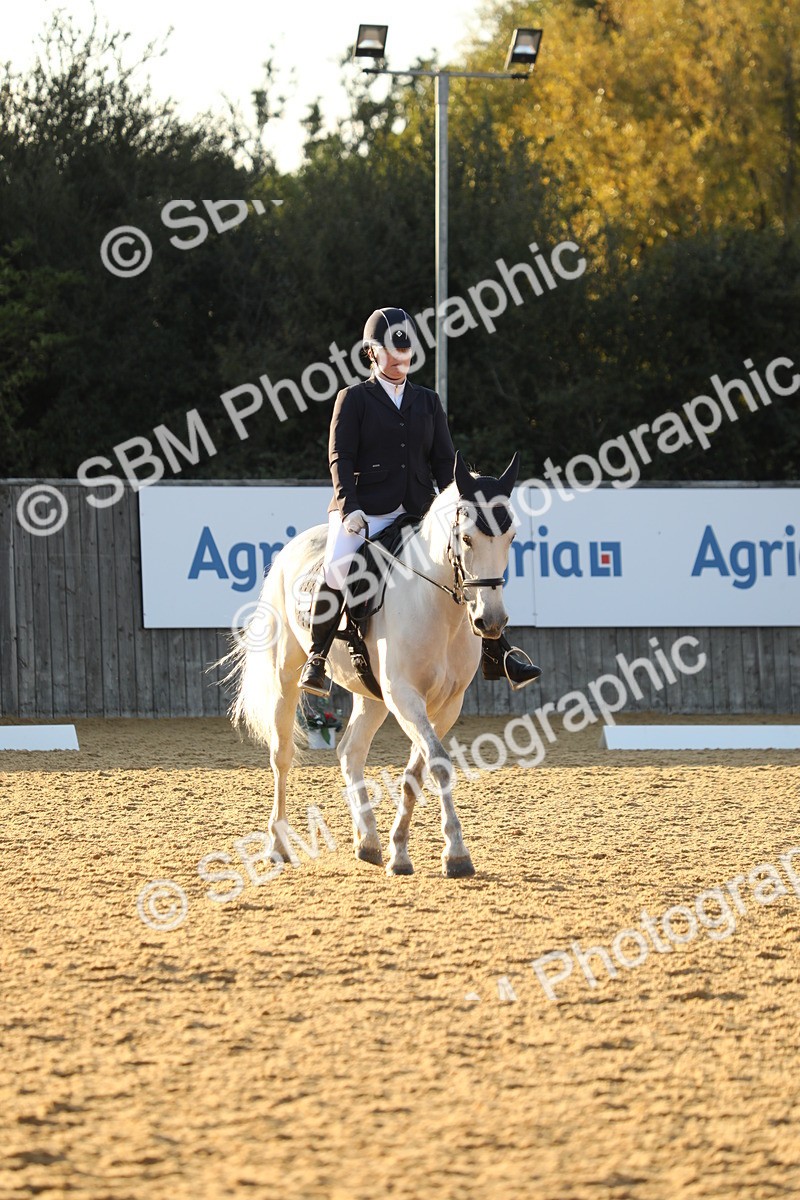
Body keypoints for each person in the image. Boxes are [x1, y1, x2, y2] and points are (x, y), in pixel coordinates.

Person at [298, 306, 542, 696]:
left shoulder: (427, 401)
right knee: (337, 566)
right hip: (364, 510)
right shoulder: (354, 399)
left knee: (464, 566)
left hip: (418, 509)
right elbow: (339, 457)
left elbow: (444, 462)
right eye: (392, 355)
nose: (400, 362)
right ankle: (317, 656)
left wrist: (463, 504)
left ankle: (499, 652)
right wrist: (349, 507)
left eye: (406, 355)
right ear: (372, 352)